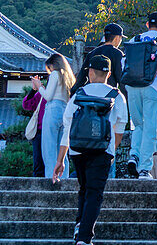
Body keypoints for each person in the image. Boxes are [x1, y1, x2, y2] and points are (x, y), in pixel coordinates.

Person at [52, 55, 127, 245]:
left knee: (84, 188)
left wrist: (60, 160)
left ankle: (80, 226)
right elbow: (120, 128)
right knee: (94, 192)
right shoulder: (116, 96)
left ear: (90, 72)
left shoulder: (78, 95)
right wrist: (112, 150)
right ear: (109, 74)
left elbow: (67, 129)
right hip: (103, 151)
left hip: (78, 151)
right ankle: (85, 238)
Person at [123, 11, 157, 180]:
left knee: (138, 125)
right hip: (153, 88)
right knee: (151, 128)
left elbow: (124, 63)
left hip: (132, 87)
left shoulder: (134, 40)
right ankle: (145, 169)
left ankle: (134, 155)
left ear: (147, 24)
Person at [40, 52, 76, 180]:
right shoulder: (69, 77)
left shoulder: (55, 74)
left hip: (53, 108)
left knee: (49, 148)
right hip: (65, 111)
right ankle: (63, 178)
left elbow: (48, 96)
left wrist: (39, 87)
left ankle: (51, 178)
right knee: (62, 149)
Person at [75, 23, 126, 90]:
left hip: (90, 92)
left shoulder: (92, 53)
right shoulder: (118, 54)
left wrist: (73, 93)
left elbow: (81, 78)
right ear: (117, 38)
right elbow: (121, 79)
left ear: (105, 37)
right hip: (108, 94)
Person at [22, 83, 47, 177]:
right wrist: (33, 90)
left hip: (54, 131)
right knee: (39, 161)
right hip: (40, 131)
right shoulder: (42, 94)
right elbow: (27, 104)